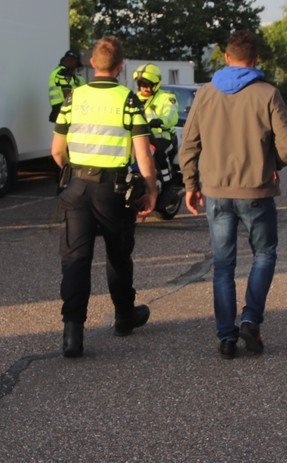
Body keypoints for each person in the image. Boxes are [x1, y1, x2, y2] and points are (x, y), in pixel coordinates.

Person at [181, 30, 287, 359]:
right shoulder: (268, 93)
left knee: (223, 265)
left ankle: (226, 337)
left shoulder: (205, 94)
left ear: (227, 58)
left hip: (216, 193)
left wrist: (191, 185)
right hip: (256, 191)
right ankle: (250, 319)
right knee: (264, 254)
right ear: (256, 59)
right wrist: (271, 164)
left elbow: (189, 144)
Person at [50, 36, 158, 358]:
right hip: (113, 192)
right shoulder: (128, 99)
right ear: (121, 66)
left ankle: (72, 333)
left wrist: (75, 171)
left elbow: (57, 150)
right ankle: (124, 317)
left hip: (77, 187)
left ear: (92, 64)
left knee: (75, 260)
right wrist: (151, 188)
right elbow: (142, 152)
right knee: (118, 255)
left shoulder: (73, 97)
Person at [133, 63, 179, 185]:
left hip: (163, 136)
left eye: (148, 85)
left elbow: (171, 115)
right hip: (141, 136)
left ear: (156, 84)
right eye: (142, 85)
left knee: (160, 152)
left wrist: (161, 121)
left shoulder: (167, 97)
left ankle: (167, 184)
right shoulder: (134, 99)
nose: (145, 88)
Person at [48, 50, 84, 122]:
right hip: (66, 111)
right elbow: (67, 94)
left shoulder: (57, 72)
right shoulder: (63, 73)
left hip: (61, 110)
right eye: (69, 60)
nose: (70, 62)